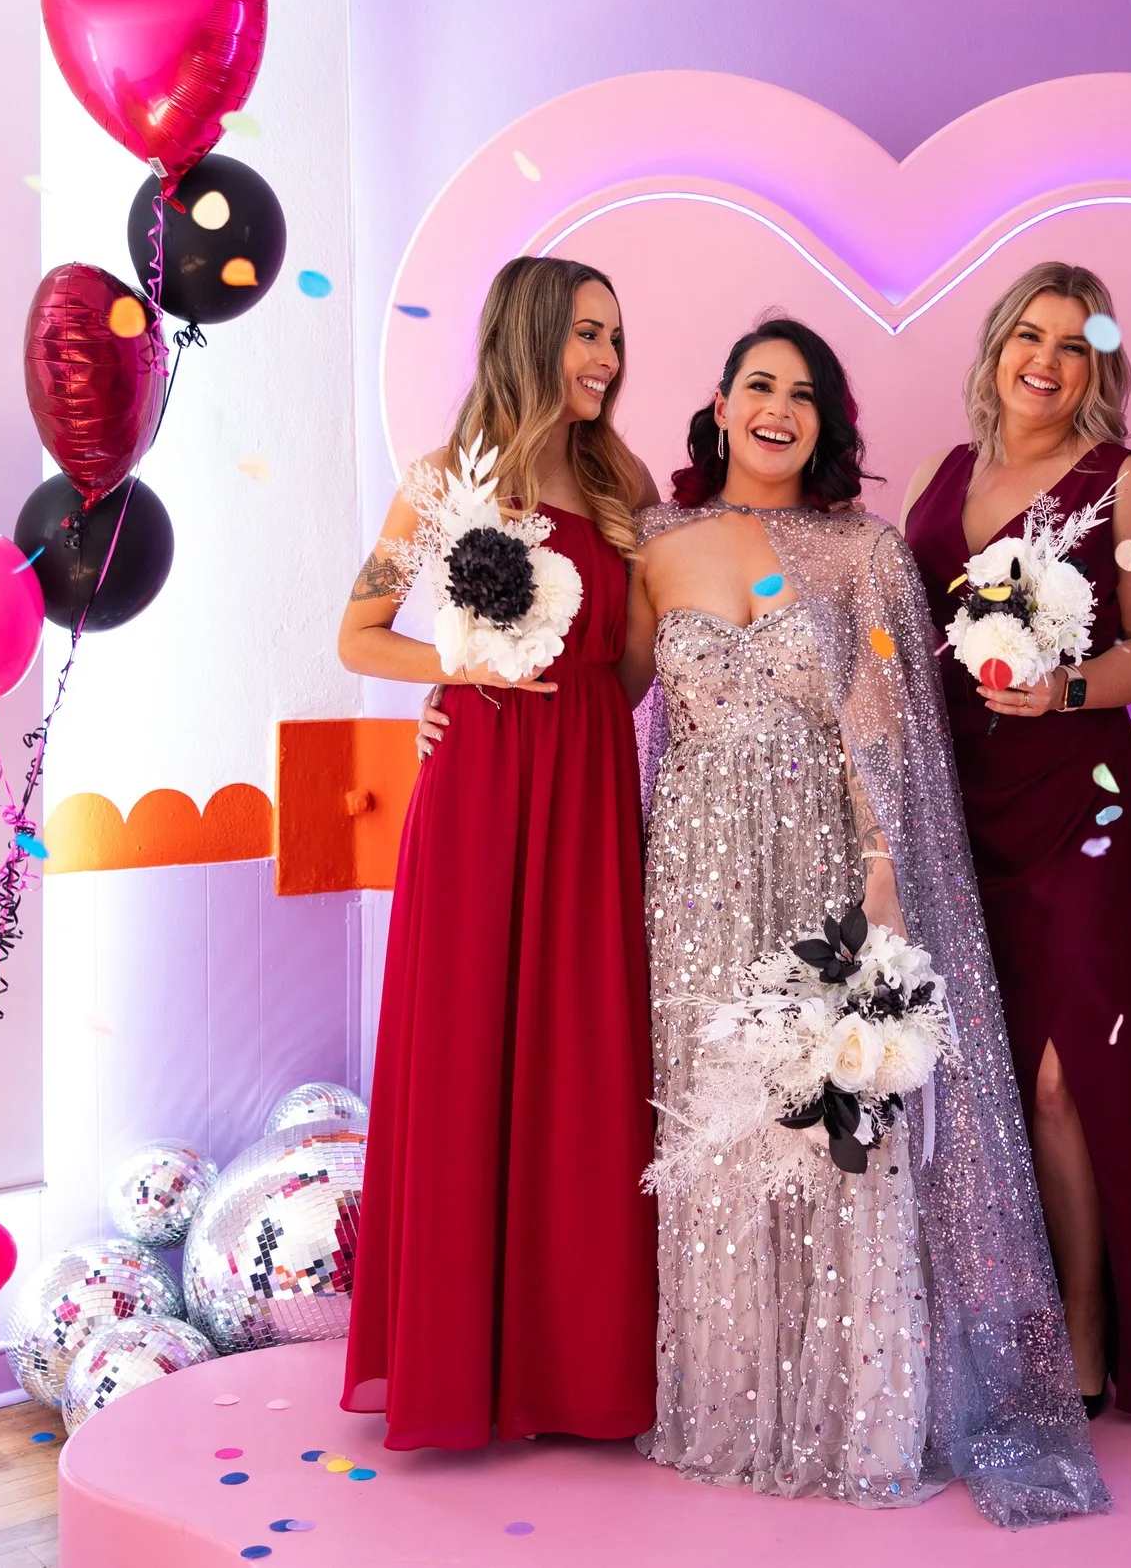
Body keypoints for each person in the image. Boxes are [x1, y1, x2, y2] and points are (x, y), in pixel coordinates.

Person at [424, 317, 1107, 1526]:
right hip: (691, 872)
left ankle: (858, 1410)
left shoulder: (862, 553)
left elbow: (883, 721)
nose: (777, 407)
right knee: (715, 1127)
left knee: (834, 1120)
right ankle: (726, 1402)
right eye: (757, 385)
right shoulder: (657, 541)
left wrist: (884, 872)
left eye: (803, 392)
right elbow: (605, 687)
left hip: (822, 862)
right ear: (722, 405)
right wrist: (461, 682)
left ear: (827, 420)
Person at [336, 255, 660, 1451]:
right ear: (530, 336)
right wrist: (457, 670)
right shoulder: (439, 480)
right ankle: (458, 1368)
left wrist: (582, 708)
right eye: (587, 333)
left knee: (582, 1054)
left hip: (584, 778)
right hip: (479, 783)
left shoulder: (620, 475)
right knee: (468, 1047)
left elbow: (631, 660)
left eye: (616, 337)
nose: (608, 359)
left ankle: (576, 1368)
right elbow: (360, 631)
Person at [900, 264, 1131, 1418]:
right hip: (948, 801)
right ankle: (978, 1314)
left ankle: (1085, 1323)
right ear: (998, 346)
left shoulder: (1129, 484)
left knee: (1065, 1079)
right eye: (1031, 333)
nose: (1048, 359)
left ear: (1098, 371)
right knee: (969, 1076)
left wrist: (1064, 687)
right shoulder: (941, 471)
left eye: (1075, 345)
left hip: (1076, 804)